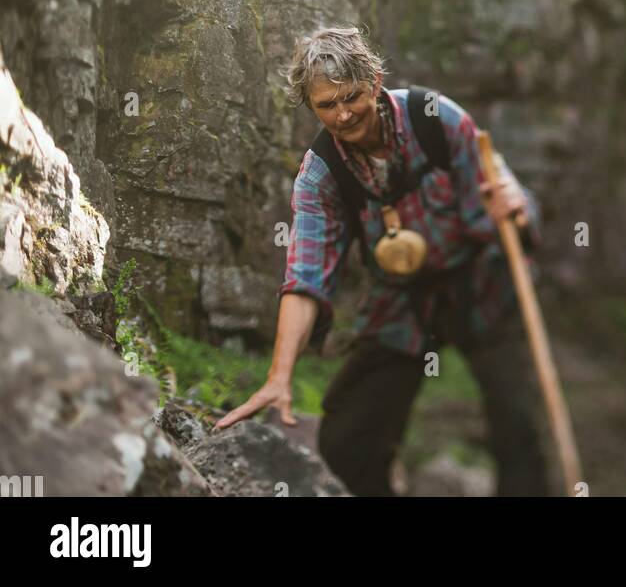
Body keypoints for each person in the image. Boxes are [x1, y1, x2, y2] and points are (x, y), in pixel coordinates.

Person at [215, 25, 552, 497]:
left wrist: (515, 208)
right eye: (326, 105)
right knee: (350, 436)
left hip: (482, 280)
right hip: (403, 299)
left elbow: (502, 199)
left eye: (351, 96)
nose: (343, 114)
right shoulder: (319, 175)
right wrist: (280, 375)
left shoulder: (437, 118)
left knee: (519, 426)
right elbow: (306, 275)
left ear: (374, 81)